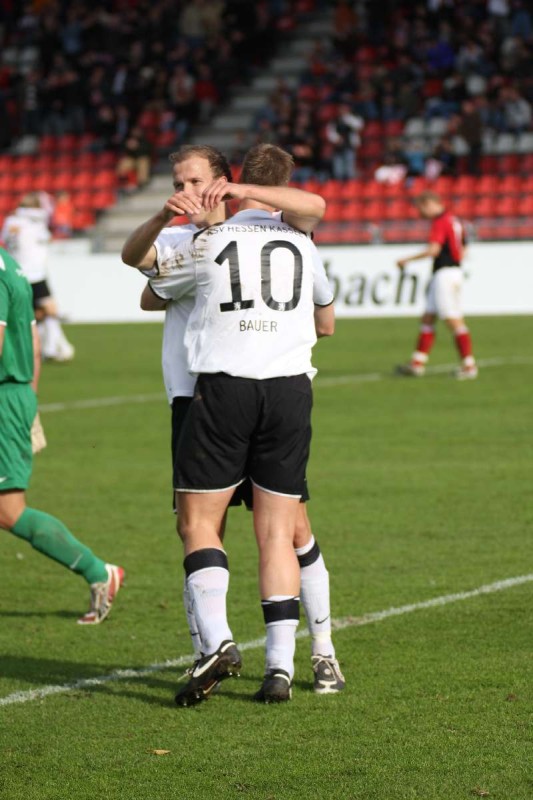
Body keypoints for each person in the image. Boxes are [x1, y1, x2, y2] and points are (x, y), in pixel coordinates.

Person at [122, 144, 344, 700]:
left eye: (195, 180)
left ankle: (264, 648)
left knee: (210, 524)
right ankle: (279, 663)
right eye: (179, 182)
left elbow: (149, 291)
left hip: (216, 392)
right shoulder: (300, 240)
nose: (186, 190)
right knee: (276, 530)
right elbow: (326, 320)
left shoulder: (203, 245)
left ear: (226, 181)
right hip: (279, 390)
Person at [0, 245, 124, 625]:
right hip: (16, 394)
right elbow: (35, 345)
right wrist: (28, 402)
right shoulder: (12, 266)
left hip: (4, 397)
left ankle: (98, 571)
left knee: (8, 509)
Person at [395, 191, 478, 380]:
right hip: (452, 271)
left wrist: (406, 259)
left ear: (429, 204)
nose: (420, 214)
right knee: (428, 317)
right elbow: (464, 247)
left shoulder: (440, 221)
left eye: (421, 209)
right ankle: (417, 363)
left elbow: (434, 250)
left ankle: (469, 365)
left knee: (452, 319)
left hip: (445, 274)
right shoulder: (454, 220)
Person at [1, 193, 75, 362]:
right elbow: (48, 236)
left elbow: (5, 240)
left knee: (36, 313)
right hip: (35, 273)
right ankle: (52, 348)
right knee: (51, 310)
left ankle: (41, 347)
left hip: (17, 273)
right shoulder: (35, 223)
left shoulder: (10, 222)